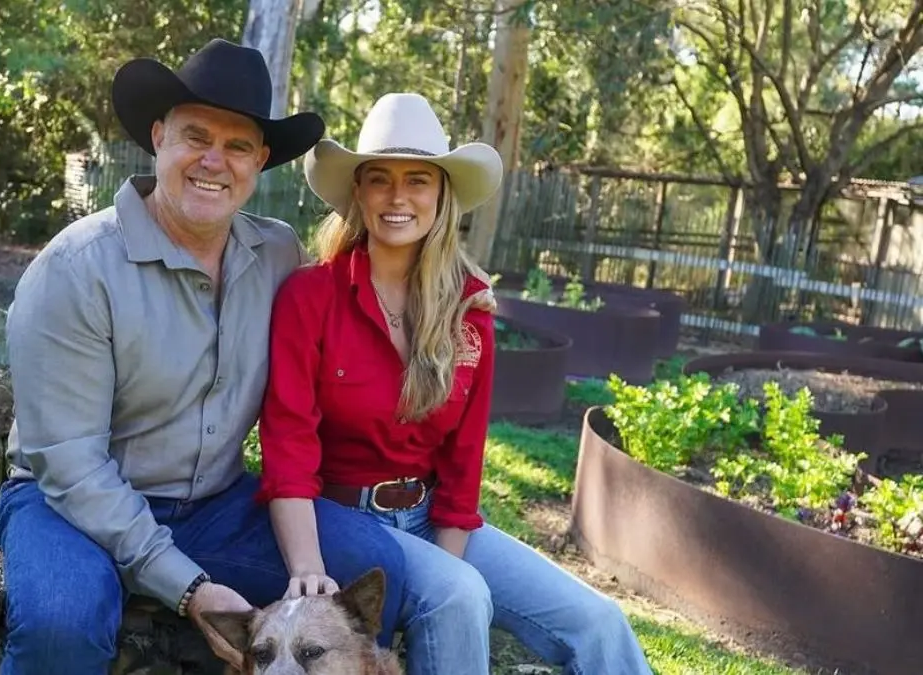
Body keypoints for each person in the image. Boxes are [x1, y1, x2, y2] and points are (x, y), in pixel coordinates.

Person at [0, 39, 413, 674]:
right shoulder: (75, 270)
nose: (214, 161)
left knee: (373, 567)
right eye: (195, 136)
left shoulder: (276, 255)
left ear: (259, 161)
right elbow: (72, 468)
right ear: (158, 136)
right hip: (67, 508)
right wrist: (188, 588)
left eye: (237, 145)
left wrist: (449, 301)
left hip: (217, 507)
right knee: (60, 624)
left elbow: (356, 309)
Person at [255, 92, 654, 675]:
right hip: (339, 518)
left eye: (418, 180)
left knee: (598, 621)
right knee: (458, 596)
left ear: (442, 195)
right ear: (358, 193)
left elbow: (464, 459)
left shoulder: (469, 308)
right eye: (380, 179)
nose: (398, 197)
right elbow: (287, 444)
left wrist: (448, 562)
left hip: (432, 513)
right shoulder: (310, 296)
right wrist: (307, 566)